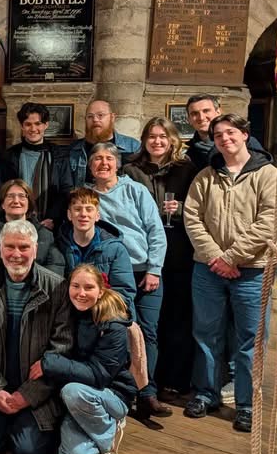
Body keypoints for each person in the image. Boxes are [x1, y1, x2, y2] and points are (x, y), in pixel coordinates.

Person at [183, 113, 277, 434]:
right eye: (218, 135)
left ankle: (246, 403)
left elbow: (270, 220)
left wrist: (232, 256)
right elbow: (192, 217)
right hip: (208, 269)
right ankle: (205, 393)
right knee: (206, 335)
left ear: (245, 134)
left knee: (250, 340)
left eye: (230, 133)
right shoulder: (205, 176)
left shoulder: (267, 174)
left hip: (252, 270)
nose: (224, 139)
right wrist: (216, 257)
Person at [0, 220, 72, 454]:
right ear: (0, 249)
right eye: (10, 247)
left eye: (23, 247)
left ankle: (25, 424)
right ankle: (7, 422)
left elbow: (61, 349)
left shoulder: (57, 287)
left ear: (34, 249)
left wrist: (28, 395)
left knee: (28, 453)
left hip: (36, 389)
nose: (16, 254)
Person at [87, 143, 168, 419]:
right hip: (109, 275)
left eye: (109, 158)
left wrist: (154, 269)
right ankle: (121, 392)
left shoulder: (135, 190)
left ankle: (147, 393)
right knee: (116, 332)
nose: (103, 163)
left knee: (147, 331)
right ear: (90, 165)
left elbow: (156, 230)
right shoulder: (87, 196)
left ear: (117, 163)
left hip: (142, 271)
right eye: (97, 159)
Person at [33, 264, 137, 454]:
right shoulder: (68, 313)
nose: (81, 293)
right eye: (75, 286)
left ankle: (110, 429)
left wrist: (50, 363)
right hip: (79, 394)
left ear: (100, 291)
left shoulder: (113, 325)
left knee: (73, 391)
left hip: (111, 393)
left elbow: (100, 375)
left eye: (88, 287)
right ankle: (93, 435)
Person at [122, 117, 198, 396]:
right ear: (144, 140)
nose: (157, 141)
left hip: (177, 252)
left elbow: (200, 207)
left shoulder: (186, 168)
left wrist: (178, 210)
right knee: (145, 325)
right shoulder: (130, 169)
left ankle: (173, 380)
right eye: (152, 136)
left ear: (172, 140)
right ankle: (143, 381)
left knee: (176, 319)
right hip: (142, 255)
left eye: (163, 137)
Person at [56, 188, 138, 318]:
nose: (83, 214)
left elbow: (124, 292)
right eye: (77, 209)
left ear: (97, 215)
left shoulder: (115, 249)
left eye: (89, 209)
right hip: (68, 315)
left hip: (105, 315)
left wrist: (95, 311)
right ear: (69, 215)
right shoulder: (58, 245)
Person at [0, 179, 65, 277]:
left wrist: (32, 285)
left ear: (29, 203)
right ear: (2, 204)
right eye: (10, 196)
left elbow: (55, 268)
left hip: (37, 290)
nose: (16, 201)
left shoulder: (44, 234)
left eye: (22, 196)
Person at [0, 102, 67, 228]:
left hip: (51, 225)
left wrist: (54, 218)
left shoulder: (59, 156)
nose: (33, 129)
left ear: (46, 125)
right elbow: (2, 191)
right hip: (15, 223)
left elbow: (66, 190)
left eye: (37, 124)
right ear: (22, 127)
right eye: (28, 124)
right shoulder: (9, 156)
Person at [61, 99, 140, 190]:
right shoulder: (73, 150)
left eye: (100, 115)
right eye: (90, 116)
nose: (95, 120)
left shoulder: (132, 147)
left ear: (112, 117)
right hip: (86, 202)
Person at [185, 94, 267, 170]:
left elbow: (263, 172)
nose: (201, 117)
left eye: (206, 111)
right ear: (189, 119)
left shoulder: (245, 142)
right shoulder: (187, 152)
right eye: (194, 113)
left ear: (218, 112)